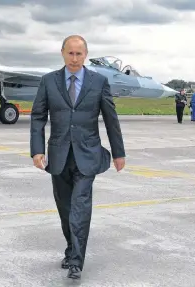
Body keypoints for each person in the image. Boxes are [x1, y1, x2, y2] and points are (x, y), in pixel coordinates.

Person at [29, 35, 126, 280]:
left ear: (85, 55)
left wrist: (118, 153)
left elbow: (110, 119)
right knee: (65, 208)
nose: (74, 59)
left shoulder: (99, 81)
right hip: (59, 155)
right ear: (62, 53)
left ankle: (76, 260)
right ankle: (72, 247)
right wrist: (37, 149)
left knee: (80, 207)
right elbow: (38, 117)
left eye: (79, 54)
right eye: (70, 53)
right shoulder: (48, 81)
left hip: (88, 154)